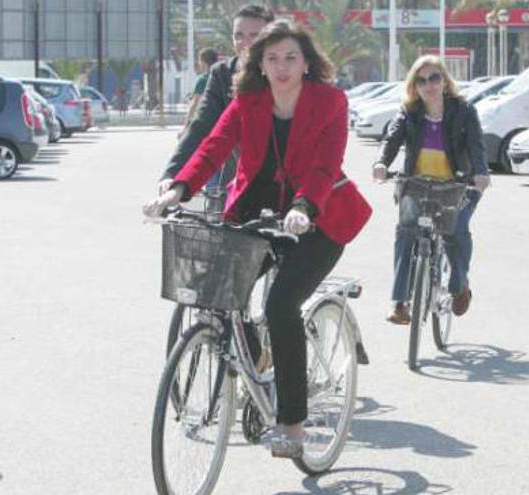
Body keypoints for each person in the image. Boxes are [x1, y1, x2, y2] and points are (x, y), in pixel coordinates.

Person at [143, 20, 372, 459]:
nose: (281, 66)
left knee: (280, 306)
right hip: (256, 214)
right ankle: (257, 360)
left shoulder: (329, 101)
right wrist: (177, 189)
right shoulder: (248, 100)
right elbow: (212, 147)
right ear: (259, 65)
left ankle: (292, 424)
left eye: (290, 57)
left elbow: (326, 166)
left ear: (307, 62)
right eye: (272, 58)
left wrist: (304, 209)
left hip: (316, 220)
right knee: (220, 292)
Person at [373, 55, 491, 324]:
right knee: (406, 233)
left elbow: (476, 145)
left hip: (457, 185)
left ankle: (459, 285)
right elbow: (392, 139)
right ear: (414, 86)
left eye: (434, 78)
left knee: (456, 231)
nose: (429, 85)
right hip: (416, 185)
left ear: (444, 81)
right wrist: (381, 162)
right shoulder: (408, 111)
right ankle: (400, 302)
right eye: (421, 80)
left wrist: (481, 172)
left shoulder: (463, 110)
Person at [158, 5, 274, 204]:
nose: (245, 43)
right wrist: (172, 174)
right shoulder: (222, 74)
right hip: (233, 176)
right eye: (238, 36)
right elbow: (202, 125)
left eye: (254, 35)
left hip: (286, 182)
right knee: (216, 219)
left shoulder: (287, 74)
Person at [182, 47, 220, 130]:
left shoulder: (203, 80)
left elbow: (195, 104)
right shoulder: (222, 78)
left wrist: (185, 127)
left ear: (203, 62)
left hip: (205, 123)